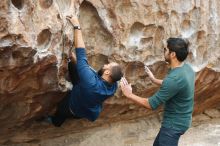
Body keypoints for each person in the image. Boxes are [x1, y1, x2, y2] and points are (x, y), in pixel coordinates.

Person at [46, 16, 123, 127]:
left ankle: (56, 122)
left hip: (73, 108)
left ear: (107, 73)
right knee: (74, 65)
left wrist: (77, 26)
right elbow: (88, 72)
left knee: (61, 110)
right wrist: (75, 61)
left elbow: (81, 52)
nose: (105, 65)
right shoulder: (113, 86)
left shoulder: (90, 82)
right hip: (87, 101)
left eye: (108, 66)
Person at [120, 38, 195, 146]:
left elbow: (151, 104)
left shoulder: (173, 79)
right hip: (183, 120)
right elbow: (177, 85)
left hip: (173, 126)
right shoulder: (187, 69)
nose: (164, 51)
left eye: (165, 49)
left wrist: (129, 94)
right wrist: (154, 80)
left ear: (173, 54)